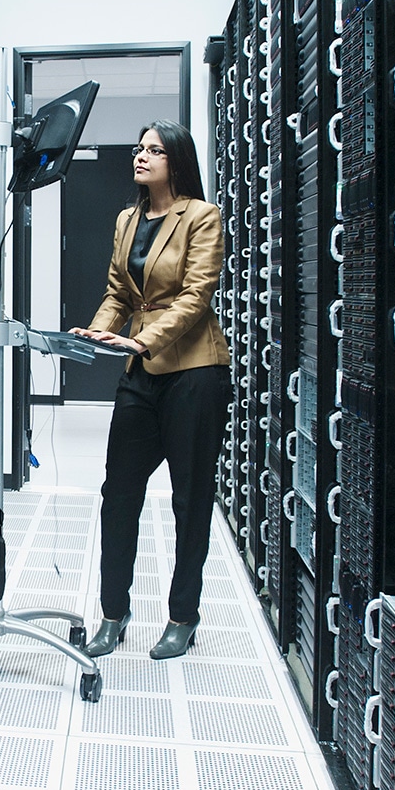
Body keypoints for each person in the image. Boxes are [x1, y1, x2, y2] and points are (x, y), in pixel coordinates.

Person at [69, 121, 231, 660]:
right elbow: (118, 292)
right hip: (141, 375)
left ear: (176, 162)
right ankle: (114, 613)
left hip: (194, 374)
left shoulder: (202, 217)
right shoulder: (126, 219)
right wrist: (98, 332)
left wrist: (141, 343)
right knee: (118, 496)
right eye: (139, 148)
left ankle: (183, 616)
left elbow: (195, 297)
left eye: (154, 150)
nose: (141, 156)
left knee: (191, 500)